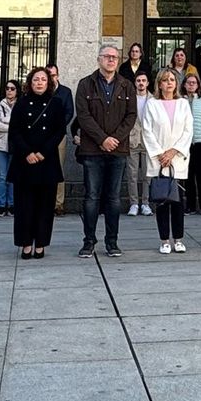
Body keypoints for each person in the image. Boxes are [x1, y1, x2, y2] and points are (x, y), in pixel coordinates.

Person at [74, 44, 136, 259]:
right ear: (98, 59)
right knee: (91, 197)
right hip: (92, 149)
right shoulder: (85, 85)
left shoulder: (127, 85)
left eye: (115, 57)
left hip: (118, 150)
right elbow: (83, 116)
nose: (111, 60)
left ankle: (112, 242)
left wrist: (115, 139)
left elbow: (131, 116)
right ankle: (89, 241)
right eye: (107, 56)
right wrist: (102, 139)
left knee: (114, 198)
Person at [11, 66, 68, 259]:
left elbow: (59, 130)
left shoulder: (56, 103)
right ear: (30, 82)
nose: (39, 83)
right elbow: (14, 131)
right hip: (24, 161)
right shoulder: (21, 103)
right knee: (24, 206)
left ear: (49, 82)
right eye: (36, 79)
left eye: (43, 79)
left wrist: (44, 151)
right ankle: (25, 243)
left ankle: (41, 244)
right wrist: (27, 152)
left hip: (47, 160)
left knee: (45, 206)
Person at [140, 68, 193, 254]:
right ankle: (164, 240)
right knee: (162, 201)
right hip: (159, 160)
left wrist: (173, 152)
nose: (169, 83)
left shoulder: (183, 104)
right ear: (159, 84)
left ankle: (178, 238)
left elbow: (188, 130)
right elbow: (147, 131)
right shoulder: (151, 104)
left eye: (172, 79)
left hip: (177, 159)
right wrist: (160, 154)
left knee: (178, 201)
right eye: (165, 80)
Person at [181, 70, 201, 213]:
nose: (191, 85)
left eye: (194, 83)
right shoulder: (180, 99)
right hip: (185, 142)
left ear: (198, 85)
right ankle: (190, 206)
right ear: (184, 85)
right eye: (189, 83)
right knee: (188, 175)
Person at [0, 78, 18, 218]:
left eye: (12, 88)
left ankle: (11, 205)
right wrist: (11, 127)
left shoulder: (20, 105)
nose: (9, 91)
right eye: (7, 88)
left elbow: (22, 124)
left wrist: (5, 124)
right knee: (1, 176)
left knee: (12, 176)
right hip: (0, 145)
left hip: (15, 145)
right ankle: (0, 205)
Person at [47, 62, 73, 214]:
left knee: (58, 169)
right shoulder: (41, 91)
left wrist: (58, 127)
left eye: (53, 75)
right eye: (48, 75)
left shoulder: (65, 92)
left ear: (58, 76)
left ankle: (58, 203)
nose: (51, 78)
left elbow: (69, 112)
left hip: (58, 136)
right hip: (41, 137)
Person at [127, 71, 152, 215]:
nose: (141, 83)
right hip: (133, 139)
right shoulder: (130, 99)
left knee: (147, 175)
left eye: (143, 80)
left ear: (148, 83)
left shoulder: (153, 100)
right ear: (135, 83)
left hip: (148, 141)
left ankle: (146, 203)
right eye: (138, 80)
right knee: (132, 174)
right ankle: (134, 203)